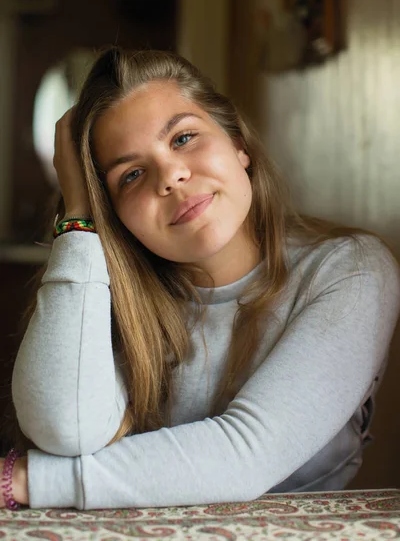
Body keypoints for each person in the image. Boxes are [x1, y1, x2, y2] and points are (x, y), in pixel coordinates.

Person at [2, 47, 400, 510]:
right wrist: (78, 211)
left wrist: (28, 481)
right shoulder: (110, 296)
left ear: (238, 144)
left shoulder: (350, 270)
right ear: (116, 214)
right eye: (131, 174)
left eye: (183, 138)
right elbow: (62, 425)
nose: (171, 175)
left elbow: (249, 454)